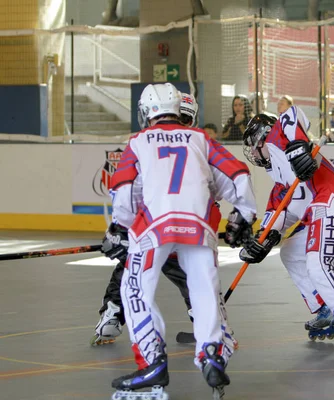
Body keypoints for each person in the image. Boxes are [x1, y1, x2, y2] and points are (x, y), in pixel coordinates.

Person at [103, 83, 257, 398]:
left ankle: (152, 360)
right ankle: (211, 353)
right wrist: (244, 215)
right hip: (199, 226)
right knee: (204, 291)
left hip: (154, 226)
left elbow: (123, 187)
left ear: (146, 112)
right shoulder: (201, 139)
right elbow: (238, 173)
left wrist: (122, 227)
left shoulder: (139, 141)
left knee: (135, 289)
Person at [239, 108, 334, 353]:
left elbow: (292, 115)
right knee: (290, 253)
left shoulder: (278, 139)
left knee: (319, 265)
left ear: (264, 135)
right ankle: (324, 307)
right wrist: (261, 240)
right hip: (317, 209)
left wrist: (297, 146)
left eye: (254, 145)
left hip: (331, 200)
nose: (252, 152)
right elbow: (280, 210)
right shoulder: (279, 176)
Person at [91, 91, 202, 347]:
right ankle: (211, 321)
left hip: (152, 228)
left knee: (130, 269)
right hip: (186, 227)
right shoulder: (199, 144)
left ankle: (112, 317)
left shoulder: (144, 143)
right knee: (195, 273)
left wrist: (119, 229)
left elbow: (130, 189)